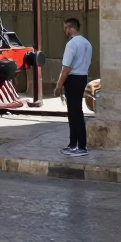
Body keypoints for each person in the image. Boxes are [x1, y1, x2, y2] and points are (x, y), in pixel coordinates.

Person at [53, 17, 92, 157]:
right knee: (75, 112)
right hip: (82, 77)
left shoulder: (72, 44)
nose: (65, 31)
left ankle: (81, 146)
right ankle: (73, 144)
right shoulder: (87, 43)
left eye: (66, 28)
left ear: (69, 28)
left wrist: (59, 85)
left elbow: (66, 67)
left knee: (75, 113)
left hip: (73, 78)